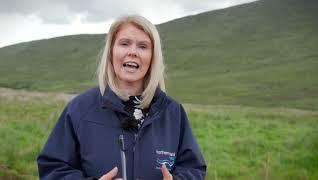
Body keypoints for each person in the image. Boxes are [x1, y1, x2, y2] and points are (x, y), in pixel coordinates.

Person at [37, 15, 206, 180]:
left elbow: (193, 168)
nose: (132, 52)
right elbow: (53, 169)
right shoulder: (80, 109)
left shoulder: (173, 112)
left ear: (153, 57)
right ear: (111, 52)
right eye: (124, 43)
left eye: (143, 46)